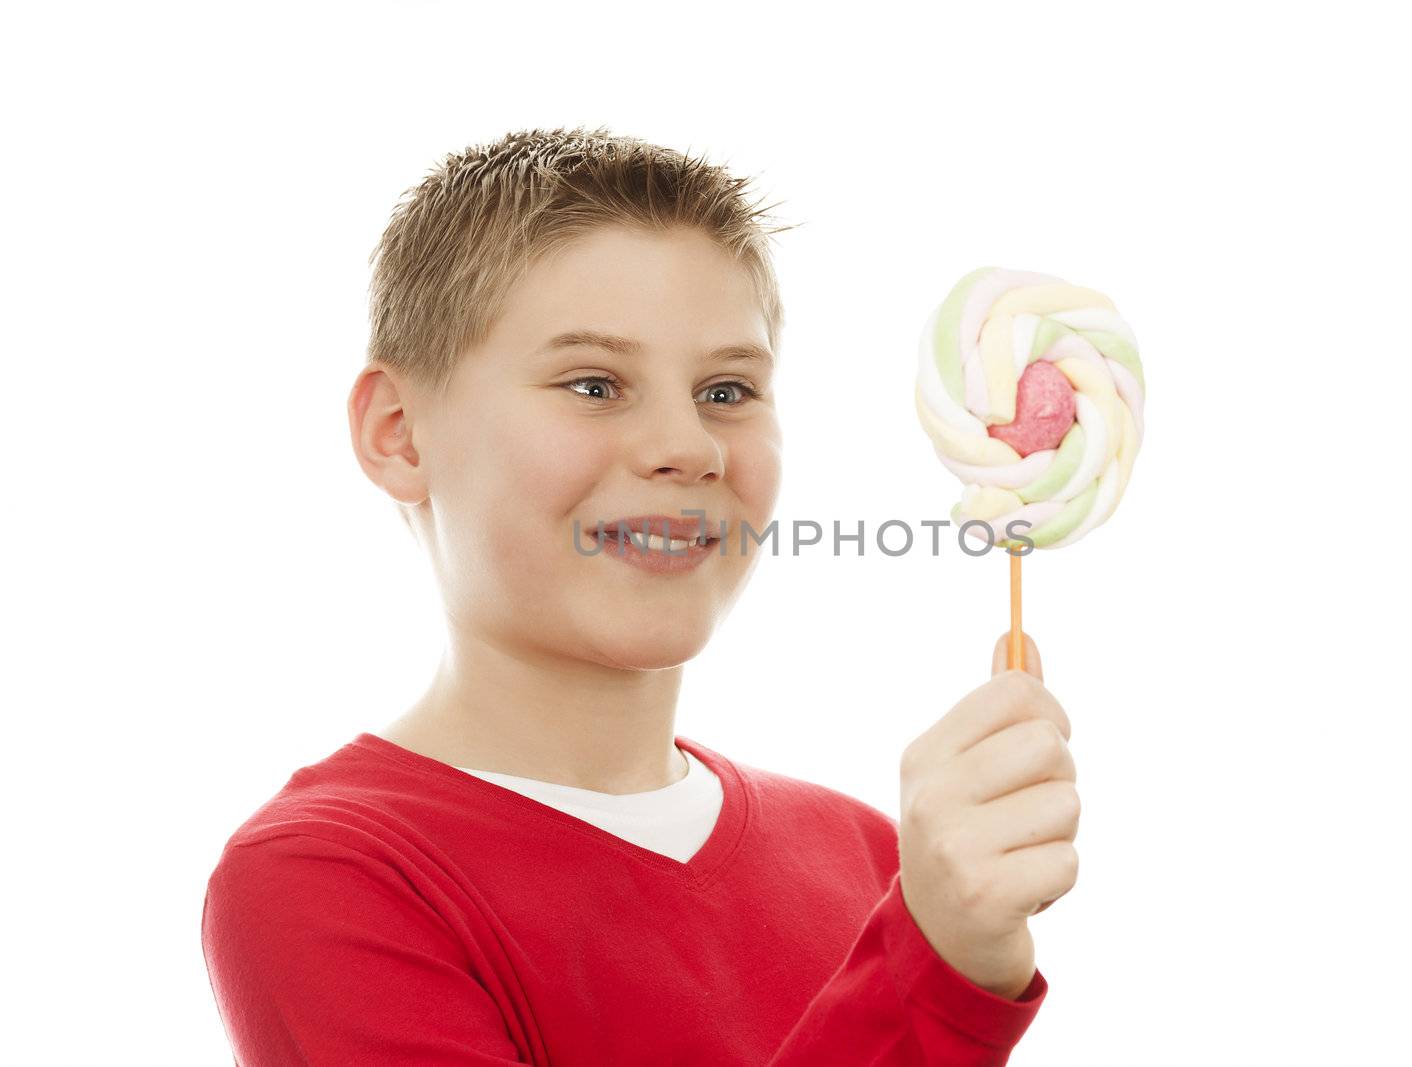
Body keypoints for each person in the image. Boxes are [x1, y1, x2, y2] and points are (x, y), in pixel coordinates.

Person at [200, 125, 1080, 1065]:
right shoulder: (328, 877)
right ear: (400, 433)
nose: (690, 447)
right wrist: (929, 972)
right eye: (594, 383)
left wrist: (929, 934)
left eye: (728, 390)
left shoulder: (877, 858)